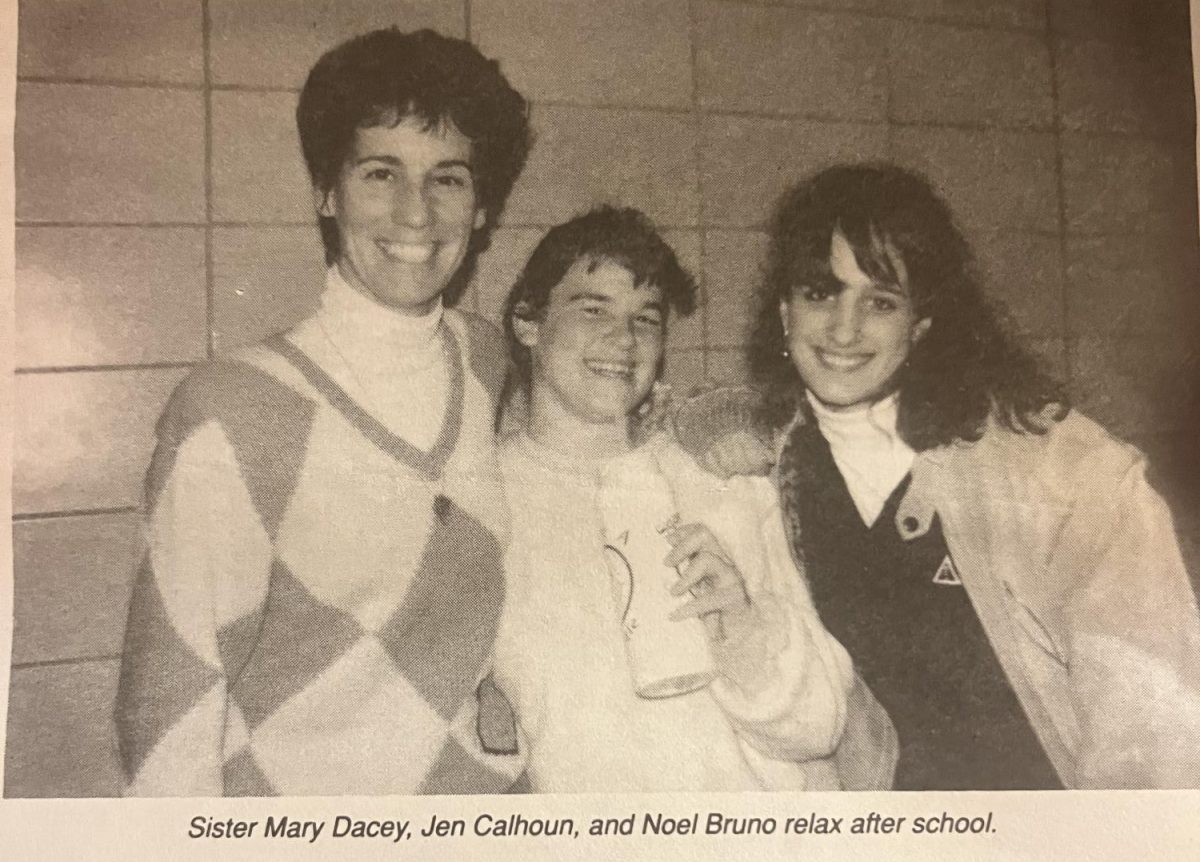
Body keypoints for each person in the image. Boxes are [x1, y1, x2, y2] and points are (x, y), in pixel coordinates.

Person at [115, 28, 531, 796]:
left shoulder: (487, 362)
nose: (417, 213)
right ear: (326, 191)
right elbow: (166, 716)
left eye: (449, 179)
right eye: (381, 173)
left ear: (481, 209)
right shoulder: (231, 409)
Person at [738, 162, 1200, 789]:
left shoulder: (1058, 470)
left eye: (880, 301)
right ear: (784, 313)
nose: (844, 329)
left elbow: (1154, 731)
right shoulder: (764, 474)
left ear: (921, 326)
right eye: (821, 293)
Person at [493, 205, 896, 792]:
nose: (623, 340)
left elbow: (820, 726)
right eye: (593, 309)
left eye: (646, 319)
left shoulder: (718, 480)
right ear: (528, 323)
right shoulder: (483, 499)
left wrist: (741, 624)